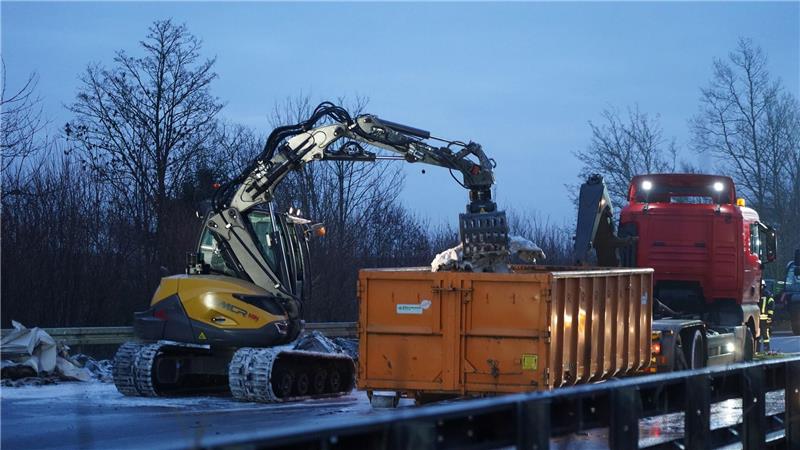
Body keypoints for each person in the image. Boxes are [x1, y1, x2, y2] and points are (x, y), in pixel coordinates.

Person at [760, 281, 775, 352]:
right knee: (762, 335)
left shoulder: (757, 293)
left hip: (763, 318)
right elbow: (771, 306)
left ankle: (765, 350)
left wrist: (769, 317)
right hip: (762, 318)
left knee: (765, 335)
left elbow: (771, 306)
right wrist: (770, 317)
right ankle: (763, 350)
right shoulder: (768, 294)